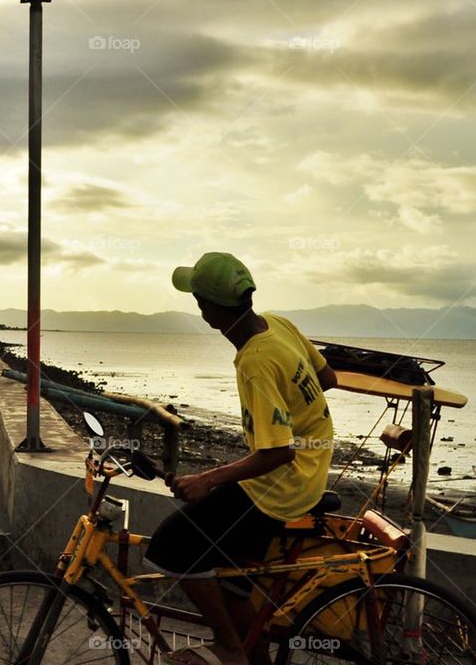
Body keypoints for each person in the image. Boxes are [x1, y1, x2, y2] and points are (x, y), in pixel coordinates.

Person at [144, 252, 337, 665]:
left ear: (208, 309)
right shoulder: (278, 324)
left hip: (284, 484)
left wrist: (208, 479)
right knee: (230, 576)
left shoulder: (255, 360)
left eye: (198, 299)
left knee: (170, 546)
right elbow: (326, 378)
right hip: (310, 465)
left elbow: (278, 452)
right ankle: (252, 652)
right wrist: (291, 413)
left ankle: (229, 648)